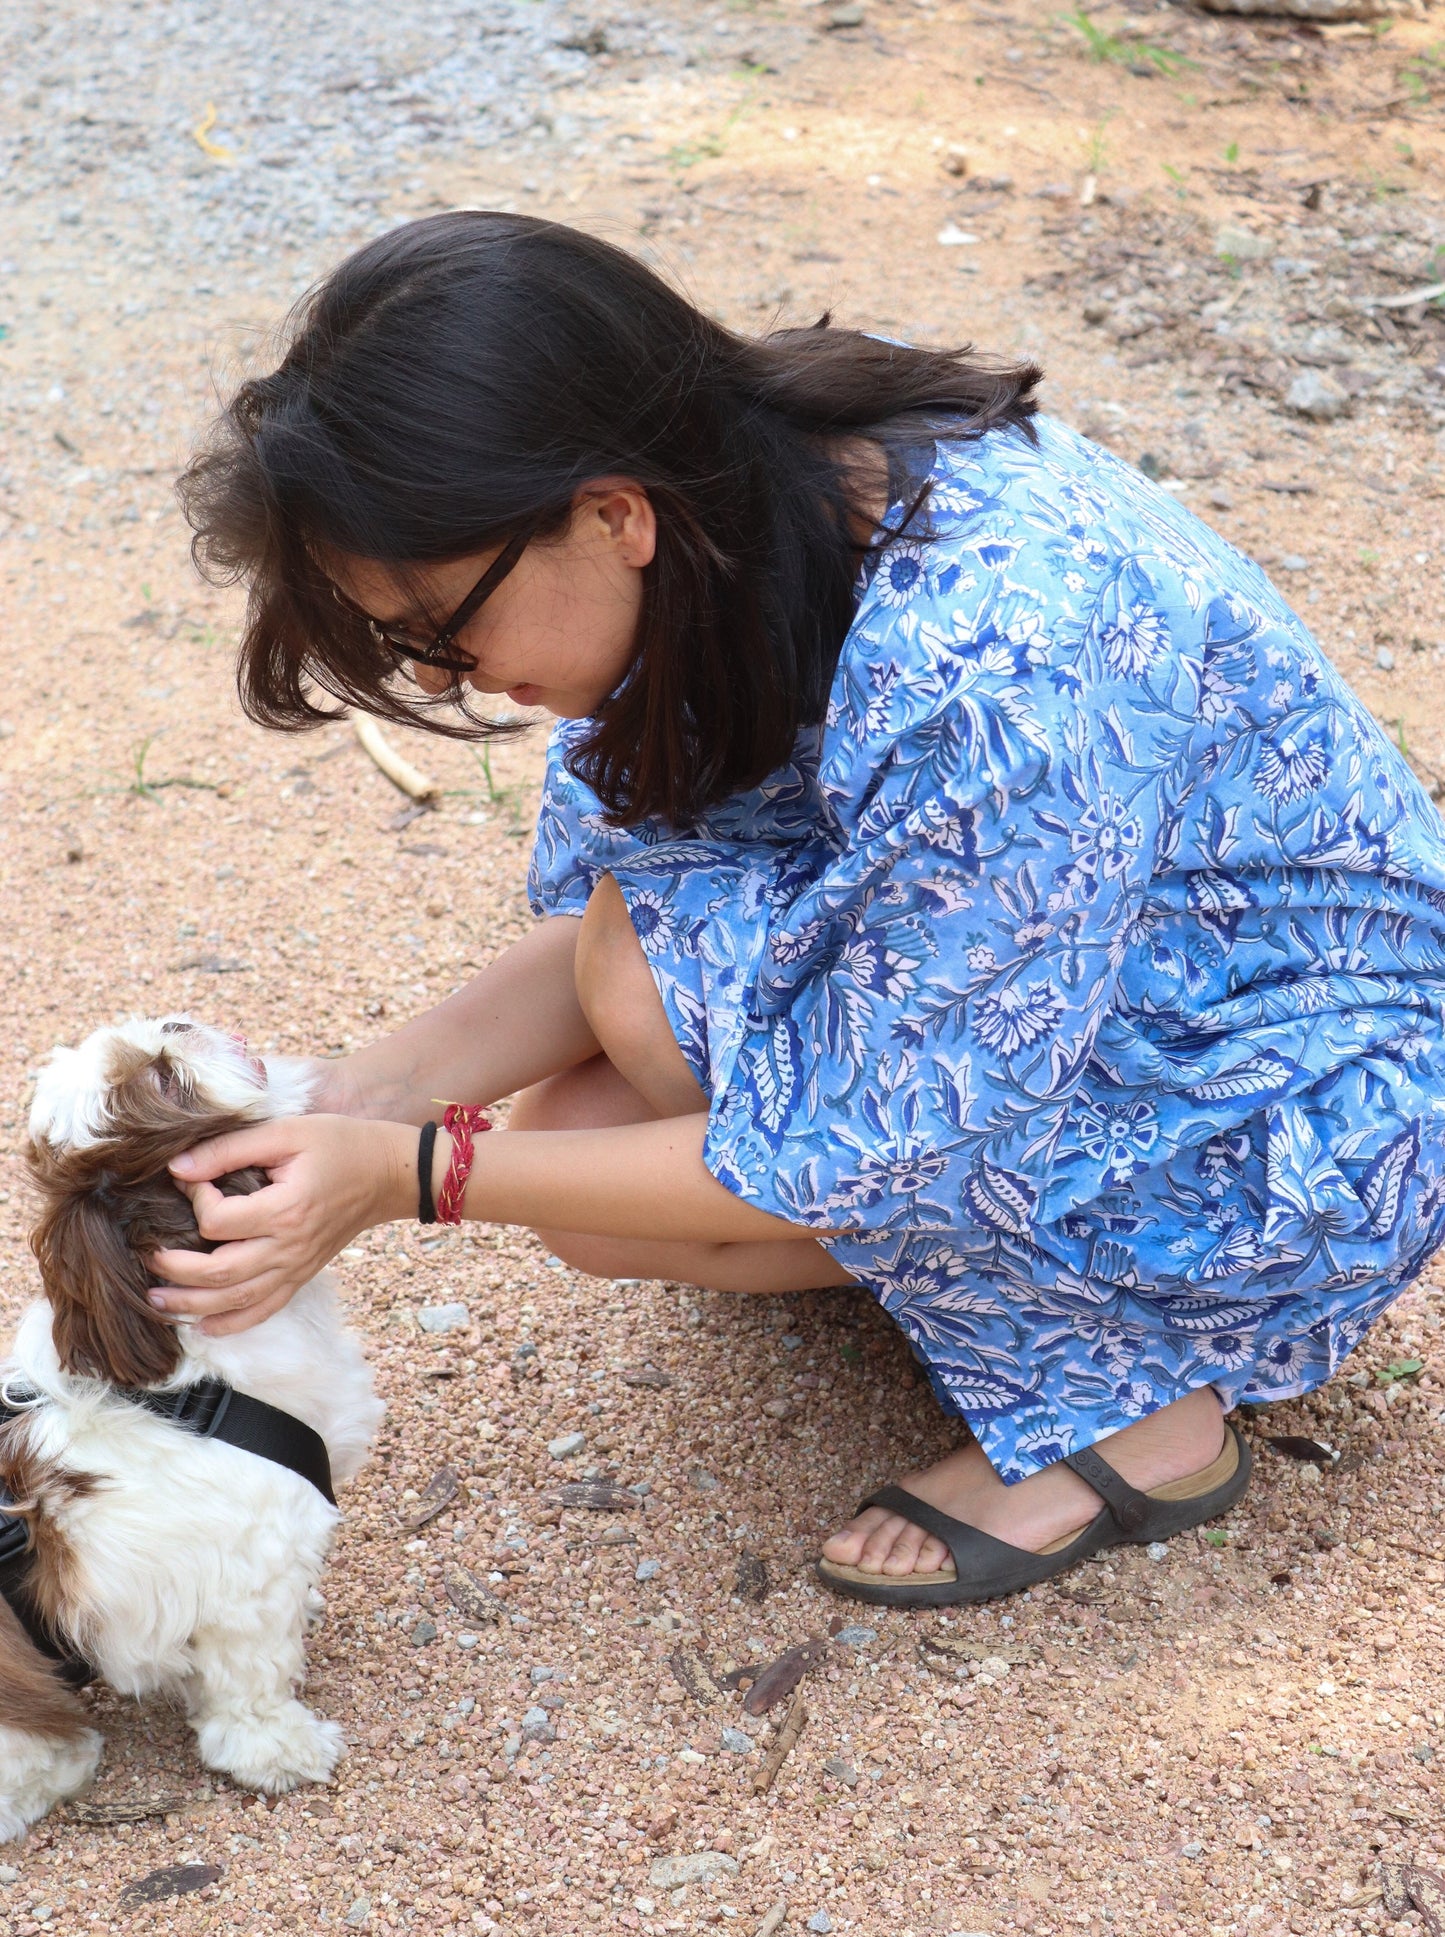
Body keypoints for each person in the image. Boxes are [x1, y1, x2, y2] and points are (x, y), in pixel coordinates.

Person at [158, 212, 1445, 1607]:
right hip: (1099, 982)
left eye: (438, 624)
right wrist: (348, 1097)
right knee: (597, 1142)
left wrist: (410, 1175)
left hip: (1295, 1111)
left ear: (608, 512)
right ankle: (1002, 1298)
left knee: (642, 1053)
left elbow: (885, 1136)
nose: (447, 677)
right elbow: (626, 912)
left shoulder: (997, 647)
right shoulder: (734, 511)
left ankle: (1137, 1418)